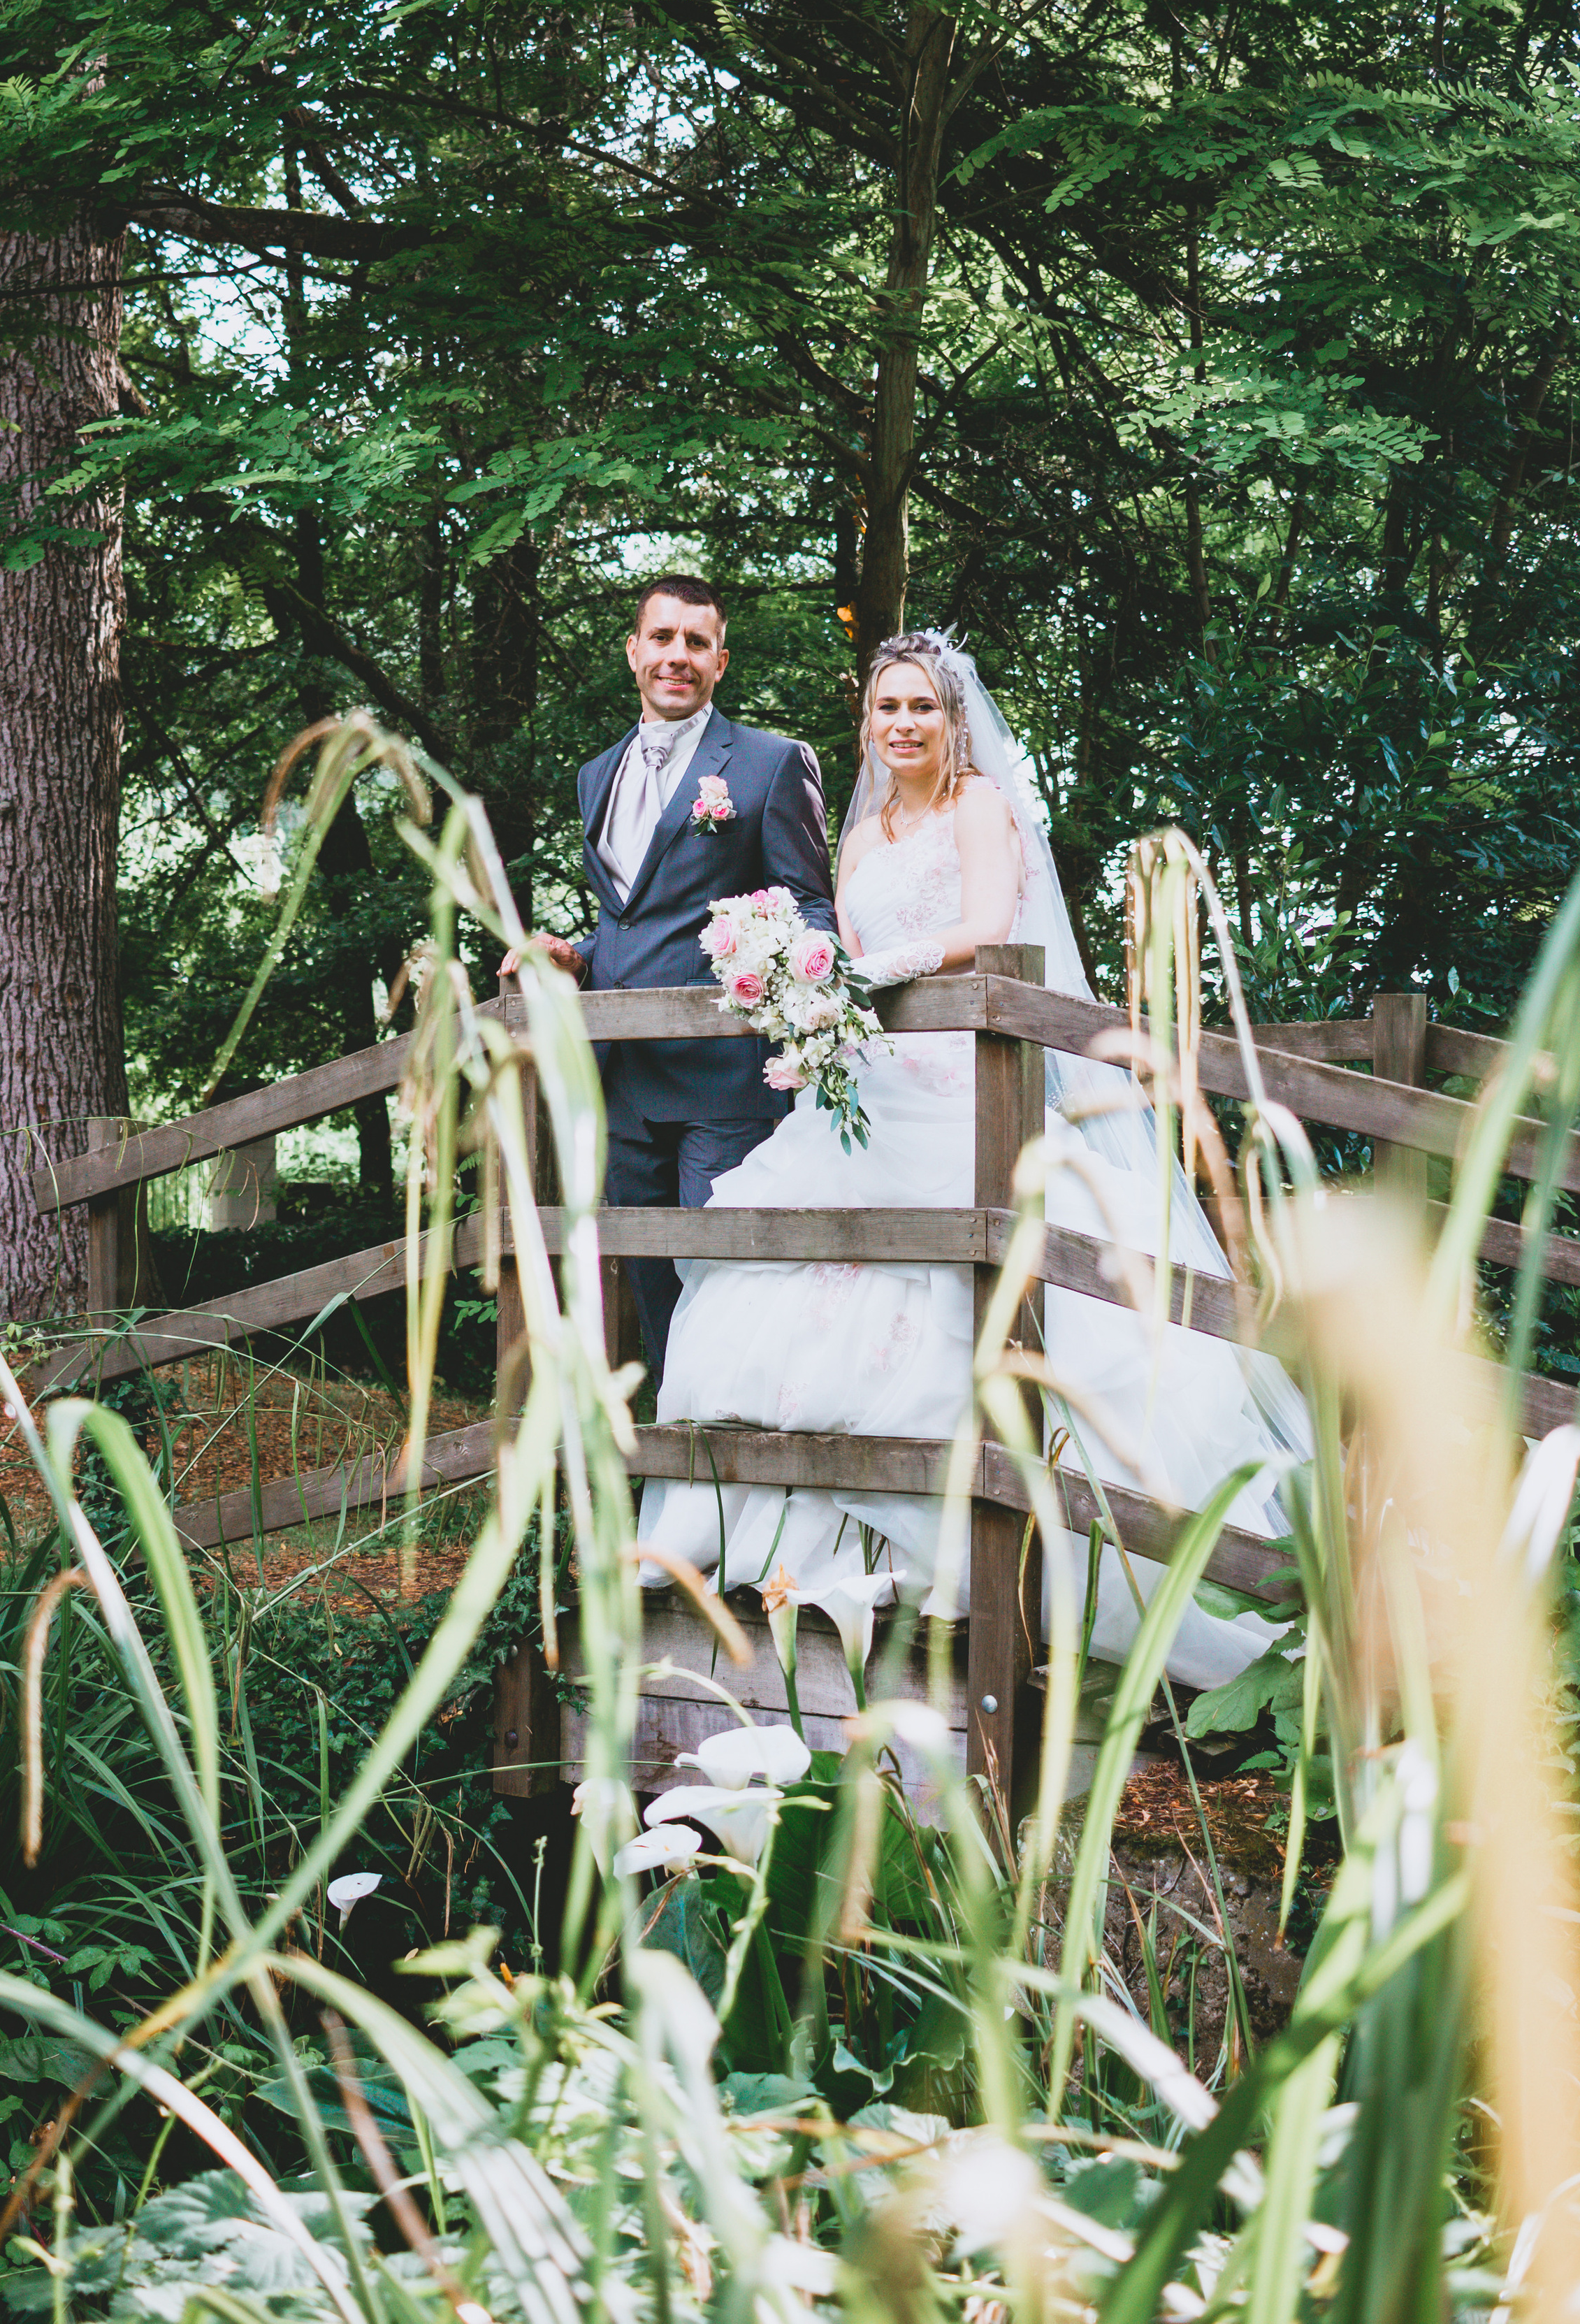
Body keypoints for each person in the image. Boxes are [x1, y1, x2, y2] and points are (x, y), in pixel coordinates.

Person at [635, 631, 1314, 1690]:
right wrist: (807, 977)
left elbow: (992, 925)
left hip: (964, 1088)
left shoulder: (982, 807)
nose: (902, 724)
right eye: (885, 708)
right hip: (865, 1092)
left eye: (922, 707)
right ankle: (790, 1563)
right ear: (867, 725)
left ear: (953, 720)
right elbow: (837, 938)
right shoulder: (859, 836)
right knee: (766, 1290)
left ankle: (964, 1576)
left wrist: (888, 964)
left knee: (965, 1299)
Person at [505, 575, 836, 1376]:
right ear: (633, 651)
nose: (676, 657)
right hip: (621, 1080)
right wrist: (576, 954)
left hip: (725, 1082)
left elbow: (810, 908)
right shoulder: (596, 774)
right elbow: (630, 917)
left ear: (720, 661)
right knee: (651, 1289)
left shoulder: (768, 764)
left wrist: (802, 992)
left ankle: (745, 1468)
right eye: (662, 638)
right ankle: (679, 1478)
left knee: (727, 1283)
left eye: (695, 643)